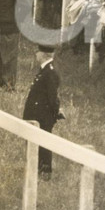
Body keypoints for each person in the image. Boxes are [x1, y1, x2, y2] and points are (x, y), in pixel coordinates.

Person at [22, 44, 63, 180]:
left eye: (38, 52)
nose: (36, 54)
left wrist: (55, 113)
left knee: (43, 144)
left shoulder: (50, 72)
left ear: (44, 54)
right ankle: (37, 168)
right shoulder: (44, 70)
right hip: (37, 114)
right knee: (36, 143)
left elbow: (52, 97)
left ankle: (45, 170)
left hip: (43, 116)